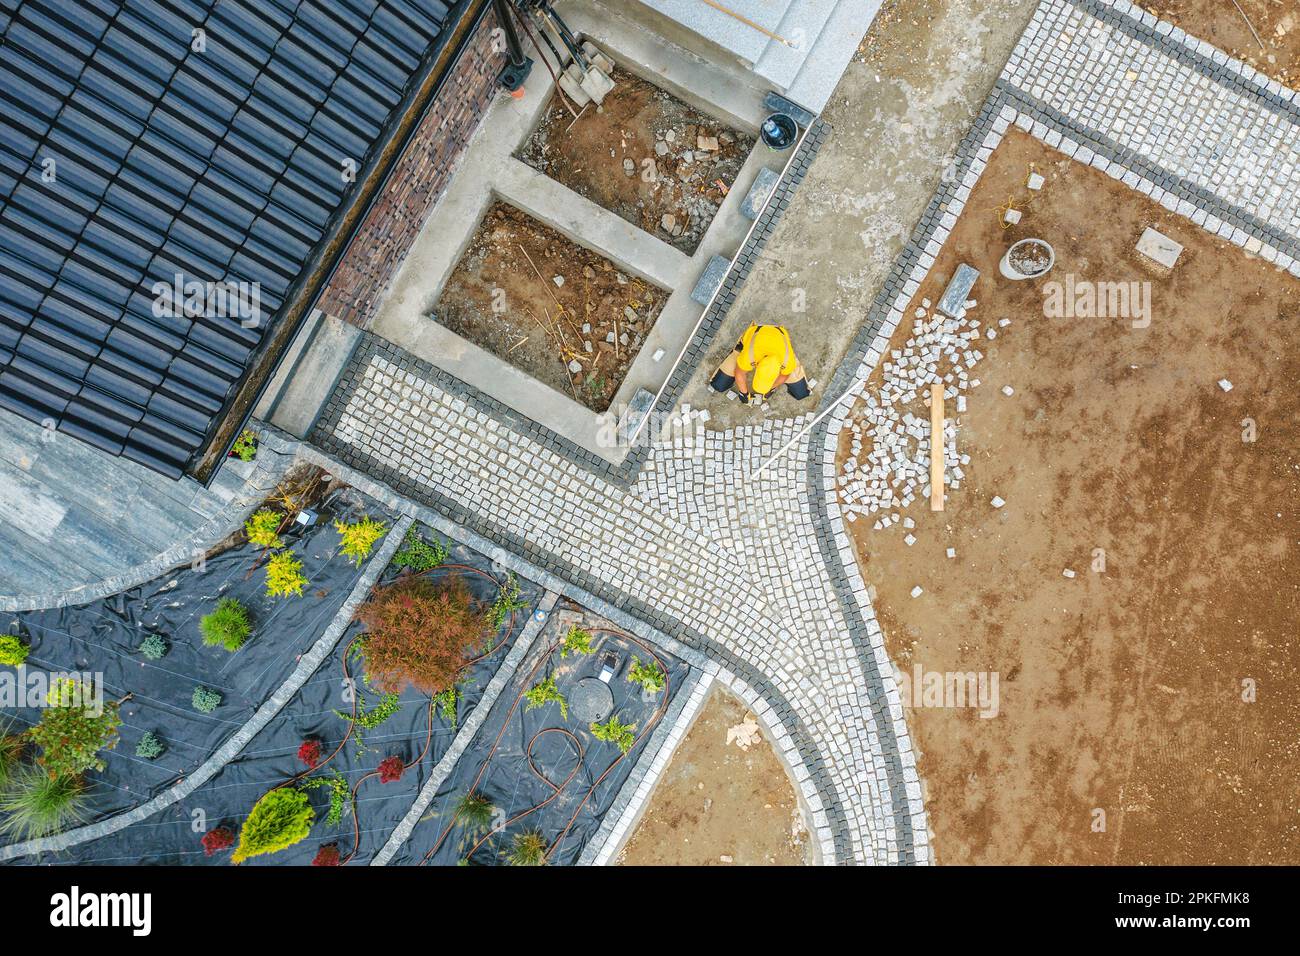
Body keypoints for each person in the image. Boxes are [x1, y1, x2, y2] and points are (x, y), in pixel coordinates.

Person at [709, 322, 810, 403]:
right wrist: (743, 393)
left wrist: (771, 388)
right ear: (756, 367)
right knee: (719, 384)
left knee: (801, 392)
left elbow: (784, 376)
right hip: (756, 331)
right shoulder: (749, 357)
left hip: (779, 337)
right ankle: (739, 347)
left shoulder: (787, 362)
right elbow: (739, 373)